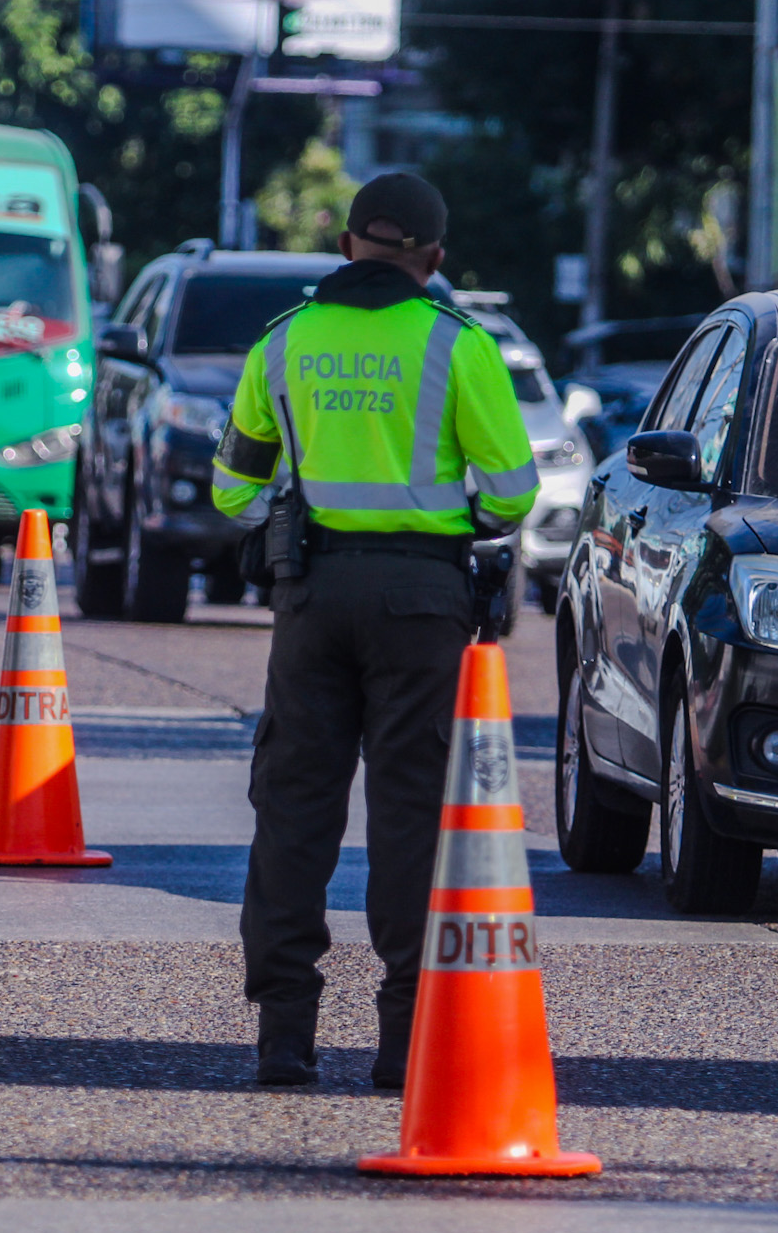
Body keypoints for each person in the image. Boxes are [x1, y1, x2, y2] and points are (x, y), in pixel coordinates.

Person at [210, 173, 540, 1090]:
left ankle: (283, 1034)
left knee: (294, 809)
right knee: (410, 816)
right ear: (434, 258)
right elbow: (513, 492)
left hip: (311, 597)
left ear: (348, 242)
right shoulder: (455, 344)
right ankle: (402, 1046)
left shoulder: (284, 343)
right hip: (422, 606)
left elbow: (233, 489)